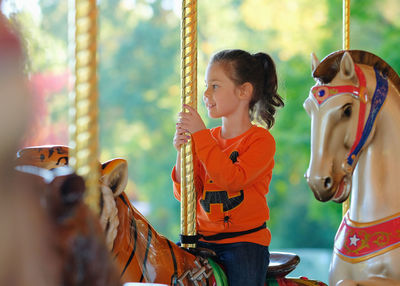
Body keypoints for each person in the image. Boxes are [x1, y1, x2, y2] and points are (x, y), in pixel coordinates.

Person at [171, 49, 284, 286]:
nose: (205, 93)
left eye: (215, 86)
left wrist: (200, 136)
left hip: (244, 243)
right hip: (200, 240)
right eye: (206, 85)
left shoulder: (260, 141)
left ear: (244, 91)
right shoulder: (204, 140)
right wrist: (183, 153)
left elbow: (232, 179)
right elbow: (187, 196)